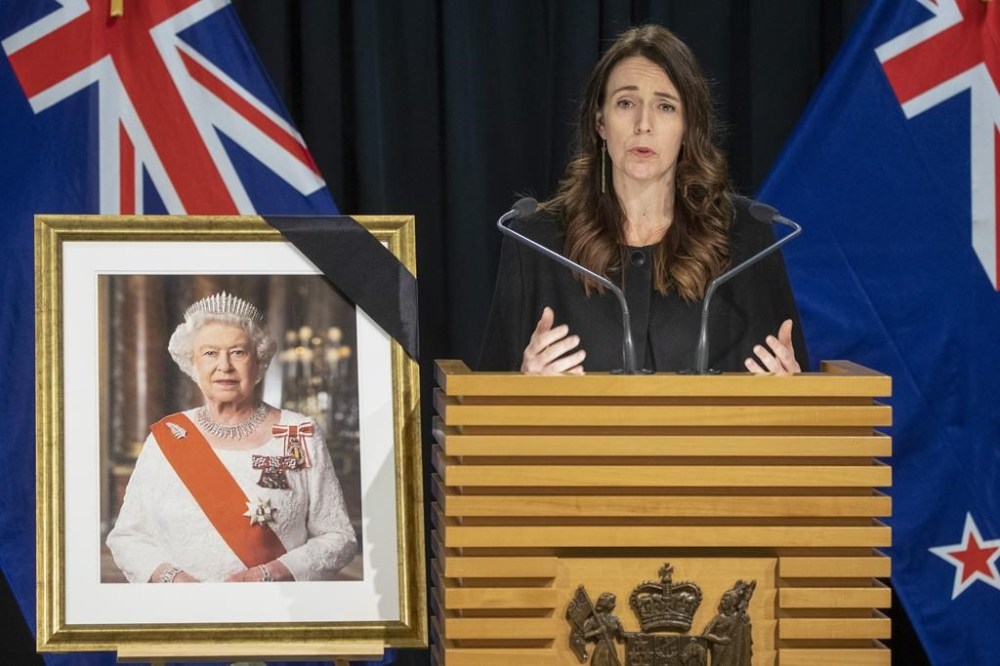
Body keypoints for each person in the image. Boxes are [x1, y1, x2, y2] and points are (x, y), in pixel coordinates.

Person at [479, 25, 808, 374]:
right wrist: (522, 387)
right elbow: (484, 400)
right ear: (600, 123)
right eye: (625, 103)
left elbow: (797, 392)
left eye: (665, 107)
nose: (643, 124)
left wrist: (790, 389)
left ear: (688, 125)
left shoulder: (747, 239)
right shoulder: (534, 242)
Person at [106, 291, 357, 583]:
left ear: (258, 361)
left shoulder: (298, 433)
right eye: (210, 353)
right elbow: (127, 537)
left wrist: (273, 572)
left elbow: (338, 537)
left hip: (273, 610)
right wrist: (171, 578)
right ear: (193, 363)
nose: (224, 366)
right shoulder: (168, 437)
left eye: (238, 352)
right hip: (183, 611)